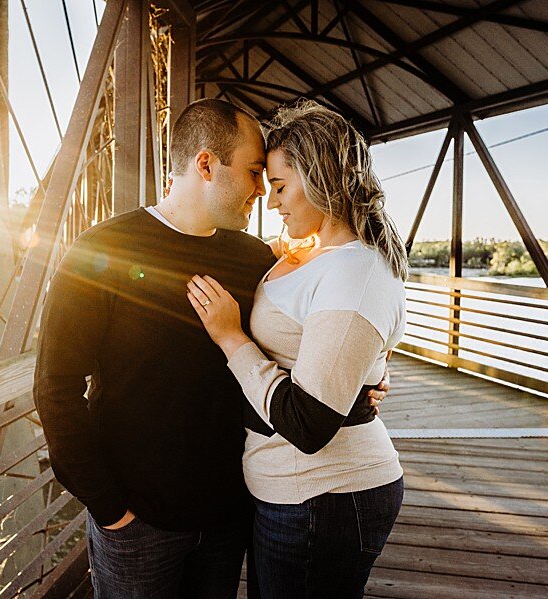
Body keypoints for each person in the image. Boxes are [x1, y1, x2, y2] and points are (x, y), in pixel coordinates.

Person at [33, 98, 388, 598]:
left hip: (230, 516)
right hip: (139, 524)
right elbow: (55, 388)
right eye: (253, 172)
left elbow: (312, 334)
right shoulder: (101, 251)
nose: (262, 192)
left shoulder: (251, 260)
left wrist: (365, 380)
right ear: (206, 164)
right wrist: (111, 510)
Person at [186, 100, 408, 599]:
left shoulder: (355, 271)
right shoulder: (316, 256)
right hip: (288, 490)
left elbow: (308, 424)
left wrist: (230, 337)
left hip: (326, 493)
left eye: (281, 186)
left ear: (322, 176)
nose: (271, 201)